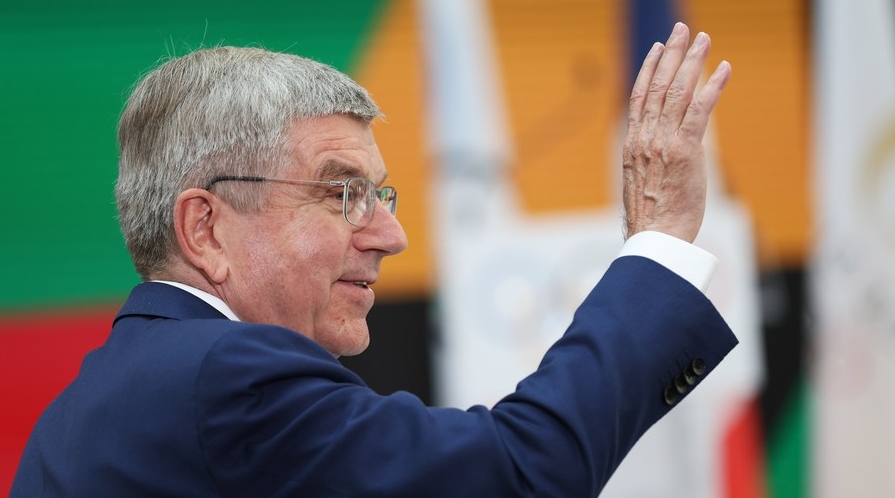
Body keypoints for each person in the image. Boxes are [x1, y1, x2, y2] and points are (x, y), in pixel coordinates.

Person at [12, 22, 736, 497]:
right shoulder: (228, 378)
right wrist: (659, 242)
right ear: (205, 229)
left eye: (378, 194)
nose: (390, 236)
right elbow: (516, 474)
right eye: (342, 194)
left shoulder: (87, 407)